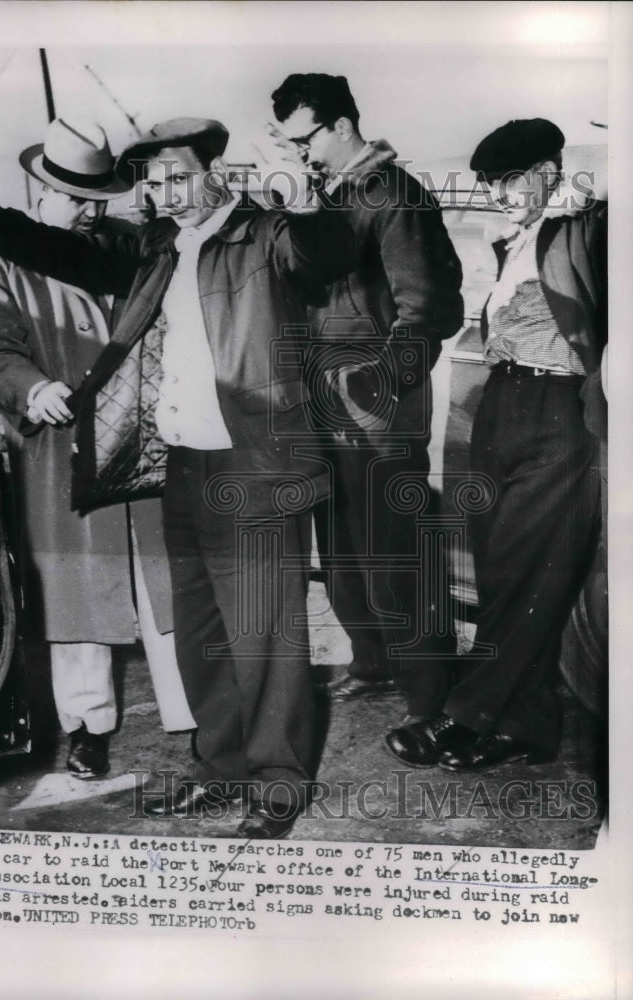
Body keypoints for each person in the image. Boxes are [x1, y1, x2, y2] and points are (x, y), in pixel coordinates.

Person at [0, 116, 356, 838]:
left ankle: (279, 782)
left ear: (214, 172)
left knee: (265, 632)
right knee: (203, 632)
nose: (167, 191)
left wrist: (307, 190)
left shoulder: (264, 233)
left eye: (179, 175)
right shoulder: (160, 245)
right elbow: (75, 257)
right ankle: (220, 770)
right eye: (155, 182)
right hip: (186, 461)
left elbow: (328, 252)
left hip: (256, 459)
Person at [0, 117, 194, 781]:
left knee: (166, 582)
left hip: (144, 436)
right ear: (37, 188)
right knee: (77, 591)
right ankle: (88, 726)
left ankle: (195, 714)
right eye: (74, 198)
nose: (90, 211)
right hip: (59, 445)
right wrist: (31, 391)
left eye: (98, 198)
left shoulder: (124, 244)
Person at [385, 118, 606, 771]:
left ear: (545, 173)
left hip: (558, 412)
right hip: (501, 403)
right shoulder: (516, 239)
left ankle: (462, 716)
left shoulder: (588, 229)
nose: (499, 195)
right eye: (489, 185)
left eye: (509, 182)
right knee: (501, 570)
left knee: (528, 570)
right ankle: (524, 728)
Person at [270, 74, 464, 720]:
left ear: (342, 125)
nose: (300, 155)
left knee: (398, 554)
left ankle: (431, 699)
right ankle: (373, 663)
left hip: (378, 408)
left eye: (305, 141)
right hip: (325, 403)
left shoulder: (393, 194)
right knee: (345, 553)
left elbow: (428, 305)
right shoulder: (328, 196)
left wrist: (385, 381)